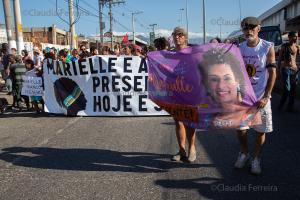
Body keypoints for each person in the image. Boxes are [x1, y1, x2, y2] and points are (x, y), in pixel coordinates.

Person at [234, 17, 276, 175]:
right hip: (243, 97)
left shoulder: (267, 47)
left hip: (261, 96)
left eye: (252, 27)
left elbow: (272, 73)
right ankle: (244, 153)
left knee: (260, 130)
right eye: (245, 28)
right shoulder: (239, 48)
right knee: (241, 129)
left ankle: (256, 158)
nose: (248, 30)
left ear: (259, 28)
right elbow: (234, 72)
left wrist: (267, 96)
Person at [198, 48, 258, 129]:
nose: (221, 86)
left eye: (227, 78)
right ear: (207, 83)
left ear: (238, 80)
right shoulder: (204, 113)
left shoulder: (249, 113)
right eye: (214, 79)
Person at [170, 26, 197, 163]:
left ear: (185, 37)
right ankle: (181, 150)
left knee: (190, 120)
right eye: (175, 34)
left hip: (190, 91)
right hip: (176, 91)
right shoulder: (169, 54)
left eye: (180, 35)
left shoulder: (193, 52)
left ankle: (192, 147)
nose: (177, 37)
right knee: (178, 120)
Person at [278, 31, 299, 112]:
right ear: (289, 37)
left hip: (295, 71)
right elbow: (279, 59)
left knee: (293, 90)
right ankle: (281, 105)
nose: (296, 38)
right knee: (287, 90)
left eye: (297, 36)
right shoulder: (284, 46)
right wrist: (278, 71)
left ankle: (290, 107)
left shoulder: (297, 47)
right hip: (286, 69)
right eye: (294, 36)